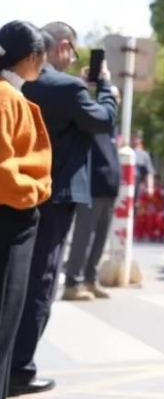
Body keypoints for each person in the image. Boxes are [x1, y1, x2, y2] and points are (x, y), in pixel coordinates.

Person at [12, 22, 117, 397]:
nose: (73, 60)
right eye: (72, 52)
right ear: (62, 47)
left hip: (17, 196)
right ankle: (20, 369)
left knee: (14, 286)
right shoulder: (67, 87)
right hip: (54, 200)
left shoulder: (20, 84)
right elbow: (103, 121)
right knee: (40, 284)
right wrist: (106, 89)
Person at [0, 21, 53, 399]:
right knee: (3, 325)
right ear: (32, 58)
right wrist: (34, 191)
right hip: (10, 219)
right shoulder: (7, 98)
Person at [63, 85, 122, 300]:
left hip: (109, 190)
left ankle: (90, 279)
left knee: (100, 239)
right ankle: (73, 282)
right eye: (110, 97)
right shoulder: (93, 122)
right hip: (92, 188)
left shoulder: (112, 128)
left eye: (116, 98)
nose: (114, 101)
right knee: (83, 237)